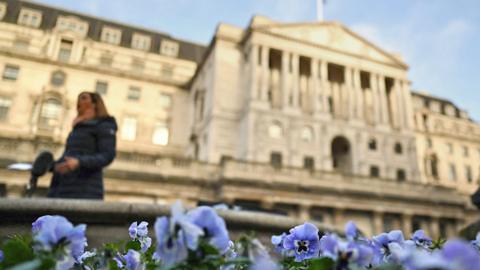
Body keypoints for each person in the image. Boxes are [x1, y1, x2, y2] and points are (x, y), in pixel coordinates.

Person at [48, 91, 117, 199]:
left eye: (84, 98)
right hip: (63, 187)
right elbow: (70, 154)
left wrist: (79, 162)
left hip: (86, 190)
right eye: (79, 98)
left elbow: (107, 155)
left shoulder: (104, 125)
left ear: (95, 104)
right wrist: (53, 165)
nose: (79, 101)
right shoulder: (78, 128)